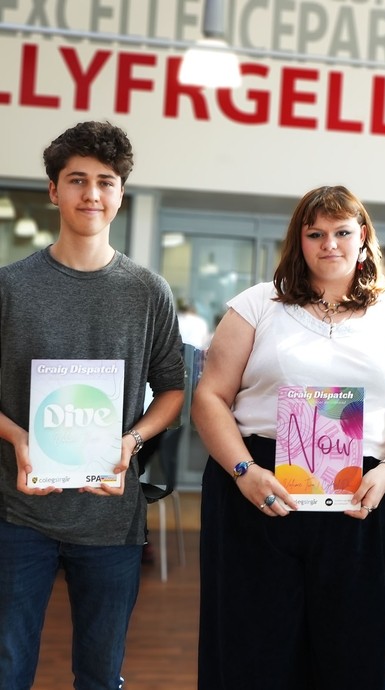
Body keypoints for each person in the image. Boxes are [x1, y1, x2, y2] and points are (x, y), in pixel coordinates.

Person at [193, 185, 385, 690]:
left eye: (342, 232)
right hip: (259, 490)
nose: (330, 244)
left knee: (353, 655)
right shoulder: (257, 304)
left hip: (363, 496)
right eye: (316, 234)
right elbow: (209, 397)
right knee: (251, 653)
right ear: (298, 241)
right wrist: (243, 471)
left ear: (362, 236)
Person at [0, 121, 186, 689]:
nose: (92, 194)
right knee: (8, 670)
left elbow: (173, 389)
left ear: (120, 194)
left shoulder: (148, 291)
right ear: (53, 190)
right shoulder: (9, 287)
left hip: (110, 518)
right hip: (17, 513)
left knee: (101, 676)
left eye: (105, 182)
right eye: (77, 180)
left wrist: (132, 441)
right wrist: (18, 437)